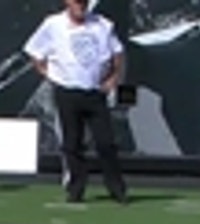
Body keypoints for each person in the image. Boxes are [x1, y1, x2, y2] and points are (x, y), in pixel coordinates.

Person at [23, 0, 128, 205]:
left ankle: (116, 188)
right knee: (72, 143)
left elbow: (117, 52)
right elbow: (34, 51)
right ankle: (76, 188)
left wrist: (114, 77)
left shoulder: (102, 25)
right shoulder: (53, 24)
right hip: (67, 92)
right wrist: (49, 74)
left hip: (95, 92)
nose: (81, 6)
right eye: (77, 3)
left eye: (84, 3)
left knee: (105, 143)